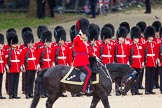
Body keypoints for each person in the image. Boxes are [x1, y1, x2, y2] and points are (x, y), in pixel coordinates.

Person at [73, 18, 94, 94]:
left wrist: (95, 57)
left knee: (92, 71)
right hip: (80, 62)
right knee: (88, 72)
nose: (85, 35)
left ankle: (90, 87)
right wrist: (79, 34)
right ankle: (83, 89)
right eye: (84, 33)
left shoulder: (85, 42)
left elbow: (89, 51)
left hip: (85, 61)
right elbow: (75, 41)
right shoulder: (77, 39)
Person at [37, 30, 54, 98]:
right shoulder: (41, 49)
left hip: (49, 66)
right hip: (43, 66)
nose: (47, 43)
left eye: (48, 42)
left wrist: (52, 64)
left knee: (48, 81)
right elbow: (37, 58)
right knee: (43, 80)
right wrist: (38, 65)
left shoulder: (50, 49)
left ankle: (46, 92)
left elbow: (52, 58)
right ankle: (42, 93)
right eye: (46, 42)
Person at [21, 31, 37, 99]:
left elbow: (36, 58)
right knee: (27, 81)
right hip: (28, 67)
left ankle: (31, 93)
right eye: (29, 42)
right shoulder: (25, 50)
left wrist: (37, 65)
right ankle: (27, 93)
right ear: (27, 43)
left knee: (32, 81)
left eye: (31, 42)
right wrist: (23, 65)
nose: (31, 43)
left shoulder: (34, 49)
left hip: (33, 67)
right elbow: (22, 58)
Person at [5, 32, 21, 99]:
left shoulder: (18, 50)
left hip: (17, 68)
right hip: (11, 68)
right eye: (14, 43)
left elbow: (20, 59)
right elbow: (6, 59)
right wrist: (7, 66)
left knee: (16, 81)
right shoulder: (8, 51)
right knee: (11, 81)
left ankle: (15, 94)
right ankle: (11, 94)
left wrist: (21, 66)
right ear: (11, 43)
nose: (16, 44)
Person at [144, 26, 158, 95]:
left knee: (152, 76)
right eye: (151, 36)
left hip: (153, 62)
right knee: (148, 76)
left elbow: (156, 53)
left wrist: (156, 61)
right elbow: (144, 53)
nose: (152, 37)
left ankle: (151, 89)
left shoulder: (154, 44)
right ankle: (147, 89)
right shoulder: (146, 44)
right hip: (148, 62)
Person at [130, 26, 143, 95]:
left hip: (139, 64)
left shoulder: (140, 45)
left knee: (138, 78)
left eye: (138, 38)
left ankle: (137, 90)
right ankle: (133, 90)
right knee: (133, 78)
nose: (137, 39)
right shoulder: (130, 46)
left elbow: (142, 54)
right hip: (133, 64)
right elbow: (129, 55)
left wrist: (142, 62)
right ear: (133, 38)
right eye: (136, 38)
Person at [0, 33, 6, 99]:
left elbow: (4, 60)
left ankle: (0, 94)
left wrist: (5, 66)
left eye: (2, 44)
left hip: (1, 69)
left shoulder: (3, 51)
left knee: (0, 82)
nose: (1, 45)